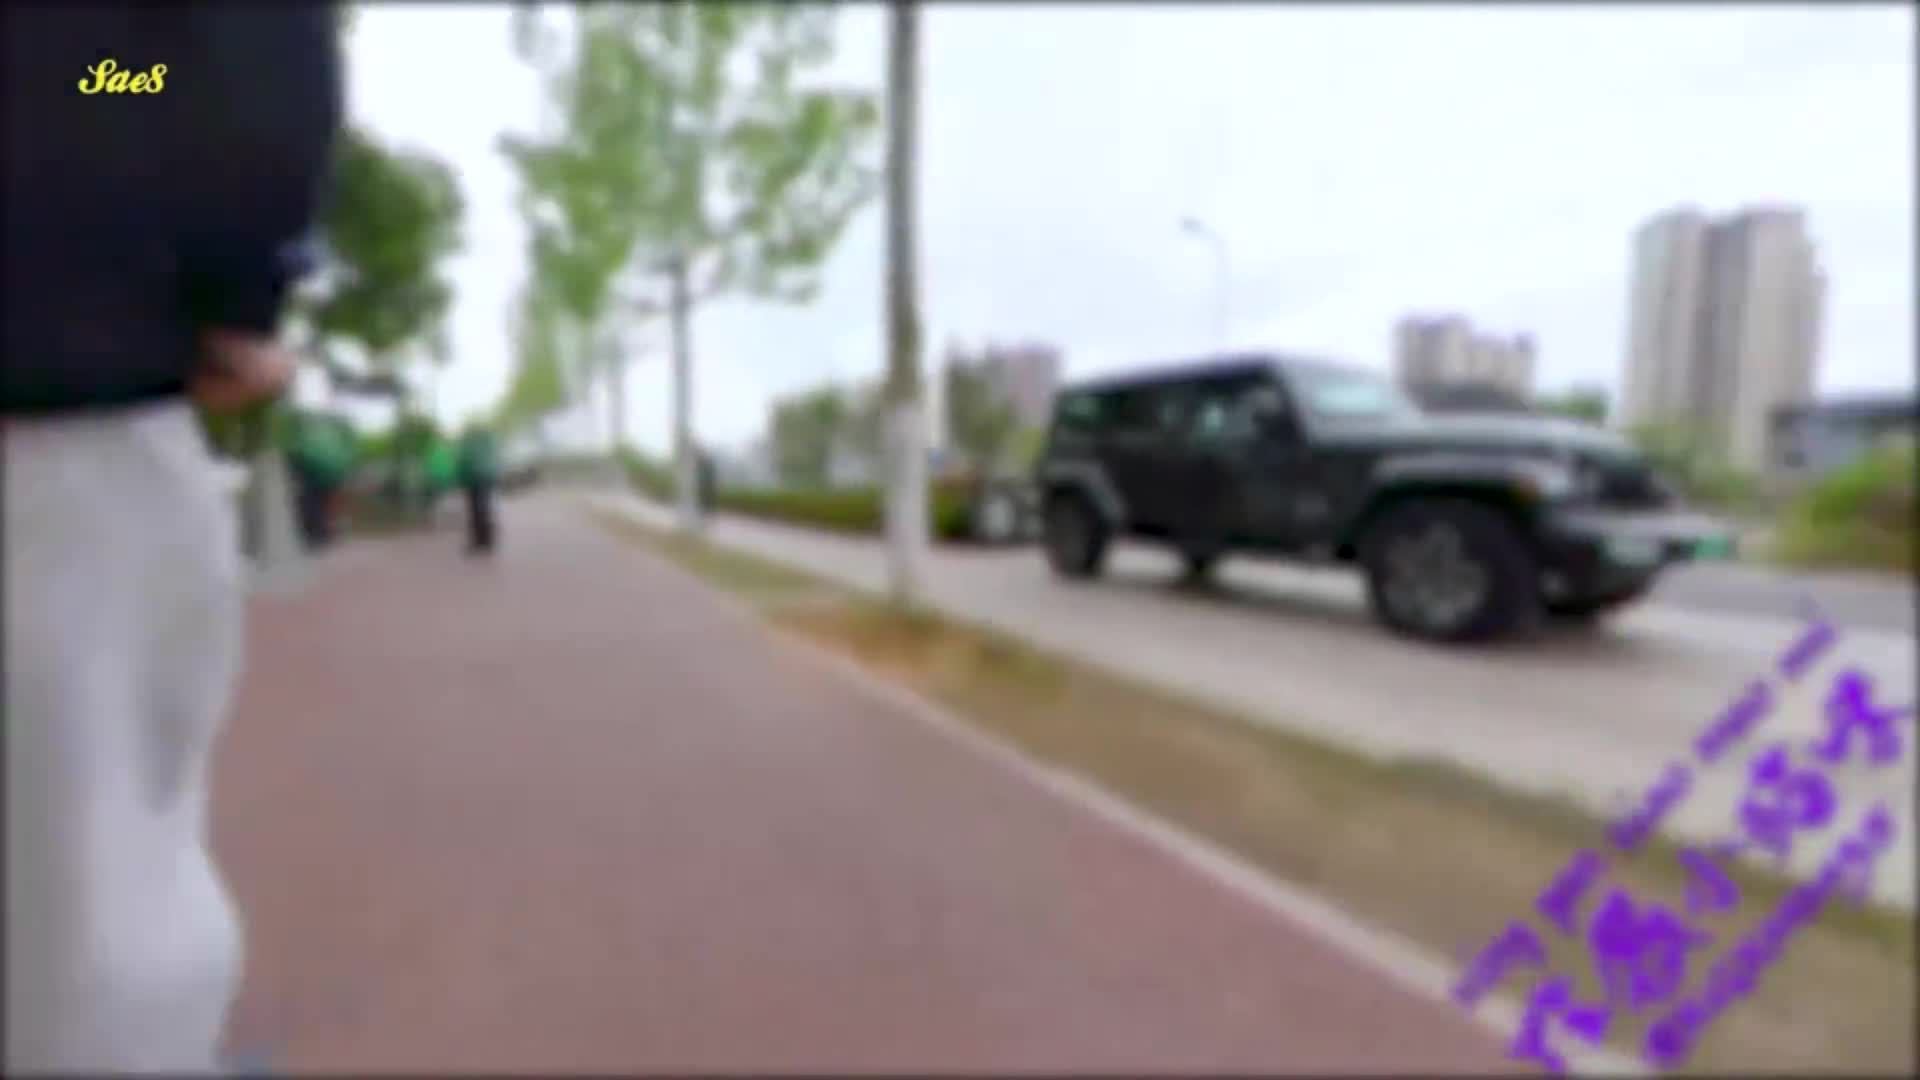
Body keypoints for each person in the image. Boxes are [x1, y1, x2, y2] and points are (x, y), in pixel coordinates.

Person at [3, 7, 342, 1073]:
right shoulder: (97, 64)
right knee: (83, 898)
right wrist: (240, 293)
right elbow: (211, 68)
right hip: (64, 400)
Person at [457, 425, 502, 554]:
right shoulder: (488, 442)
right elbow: (495, 461)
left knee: (476, 511)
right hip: (486, 478)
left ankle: (480, 542)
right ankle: (486, 541)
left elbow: (465, 461)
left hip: (474, 478)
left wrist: (461, 479)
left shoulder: (470, 444)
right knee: (484, 509)